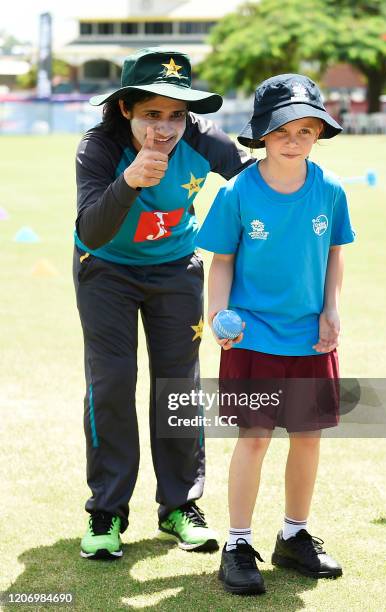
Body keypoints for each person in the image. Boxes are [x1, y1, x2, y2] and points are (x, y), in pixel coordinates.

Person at [73, 47, 254, 560]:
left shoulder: (203, 141)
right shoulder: (99, 147)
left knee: (179, 385)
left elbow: (256, 185)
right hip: (105, 269)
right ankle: (106, 511)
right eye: (153, 113)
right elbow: (91, 227)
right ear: (126, 109)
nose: (166, 128)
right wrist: (128, 183)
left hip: (176, 268)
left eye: (177, 115)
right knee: (111, 382)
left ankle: (180, 506)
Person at [197, 74, 355, 594]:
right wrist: (219, 315)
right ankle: (237, 543)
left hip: (311, 340)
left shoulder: (330, 190)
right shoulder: (238, 192)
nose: (296, 138)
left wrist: (332, 310)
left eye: (307, 129)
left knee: (308, 438)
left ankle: (294, 535)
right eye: (285, 128)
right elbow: (221, 263)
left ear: (319, 135)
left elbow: (334, 255)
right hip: (253, 340)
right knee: (255, 438)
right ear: (263, 132)